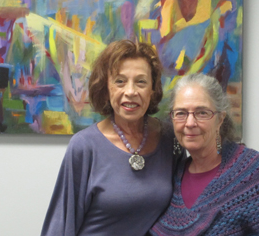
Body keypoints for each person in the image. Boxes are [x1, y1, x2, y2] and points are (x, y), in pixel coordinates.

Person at [41, 40, 184, 236]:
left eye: (141, 82)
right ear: (106, 88)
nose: (131, 91)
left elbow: (183, 210)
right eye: (120, 81)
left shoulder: (170, 140)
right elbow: (61, 225)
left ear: (153, 89)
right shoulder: (84, 146)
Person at [149, 73, 259, 236]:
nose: (190, 123)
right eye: (181, 113)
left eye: (202, 113)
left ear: (220, 119)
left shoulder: (253, 172)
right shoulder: (172, 176)